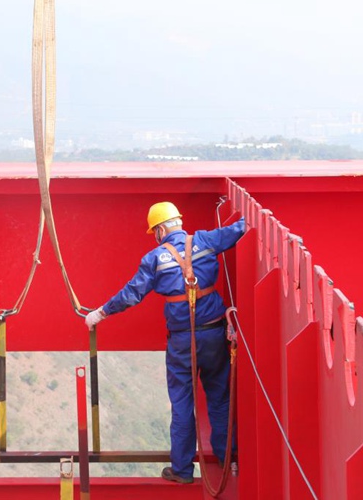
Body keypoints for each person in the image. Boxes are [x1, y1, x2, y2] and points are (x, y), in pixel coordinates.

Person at [84, 201, 245, 484]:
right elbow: (238, 231)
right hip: (214, 334)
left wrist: (101, 312)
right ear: (178, 223)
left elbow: (131, 294)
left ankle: (182, 470)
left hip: (183, 342)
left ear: (159, 230)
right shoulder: (207, 240)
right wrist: (253, 219)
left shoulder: (155, 259)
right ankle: (227, 458)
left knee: (182, 403)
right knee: (219, 397)